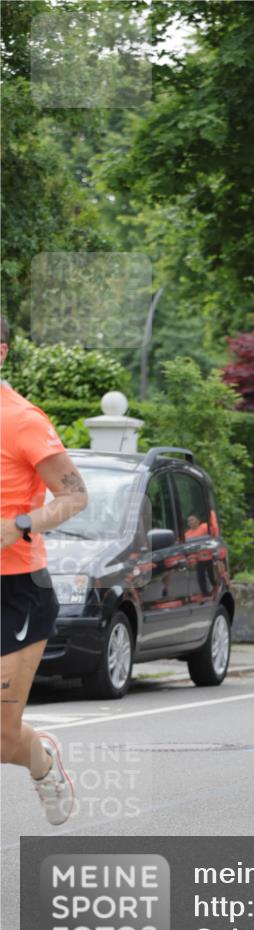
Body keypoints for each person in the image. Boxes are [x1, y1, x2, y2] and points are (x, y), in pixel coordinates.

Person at [0, 314, 88, 824]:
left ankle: (42, 762)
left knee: (4, 734)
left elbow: (76, 495)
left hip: (17, 590)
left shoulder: (22, 419)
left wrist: (23, 522)